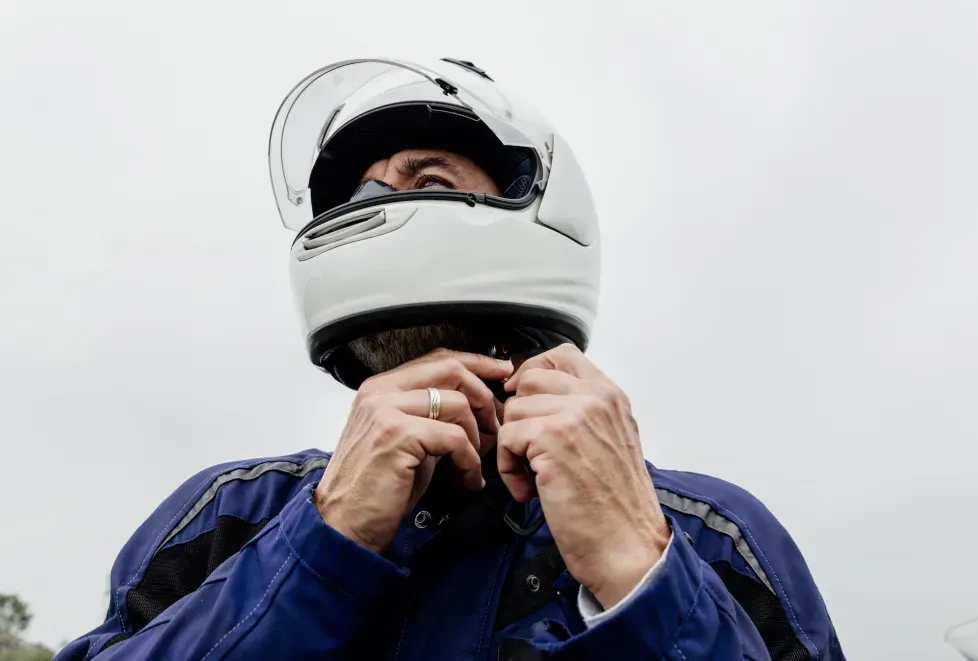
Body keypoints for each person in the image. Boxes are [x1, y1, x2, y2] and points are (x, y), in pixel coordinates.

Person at [56, 58, 845, 660]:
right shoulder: (232, 513)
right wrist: (323, 541)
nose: (372, 209)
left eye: (422, 181)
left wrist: (640, 572)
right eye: (355, 195)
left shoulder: (709, 532)